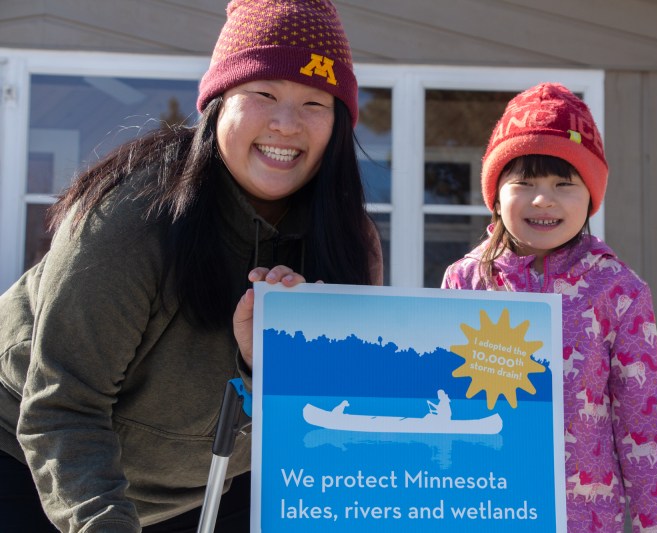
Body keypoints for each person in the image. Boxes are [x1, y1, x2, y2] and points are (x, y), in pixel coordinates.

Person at [0, 0, 382, 531]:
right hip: (32, 458)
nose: (286, 124)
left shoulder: (349, 244)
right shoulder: (134, 216)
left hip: (207, 481)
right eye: (264, 94)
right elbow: (62, 406)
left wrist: (265, 369)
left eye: (315, 102)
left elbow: (325, 421)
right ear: (218, 104)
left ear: (339, 123)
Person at [441, 83, 657, 531]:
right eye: (524, 182)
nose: (543, 199)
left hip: (584, 520)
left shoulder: (618, 290)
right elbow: (441, 400)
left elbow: (644, 425)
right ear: (496, 193)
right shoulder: (466, 282)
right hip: (485, 511)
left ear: (590, 195)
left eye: (564, 184)